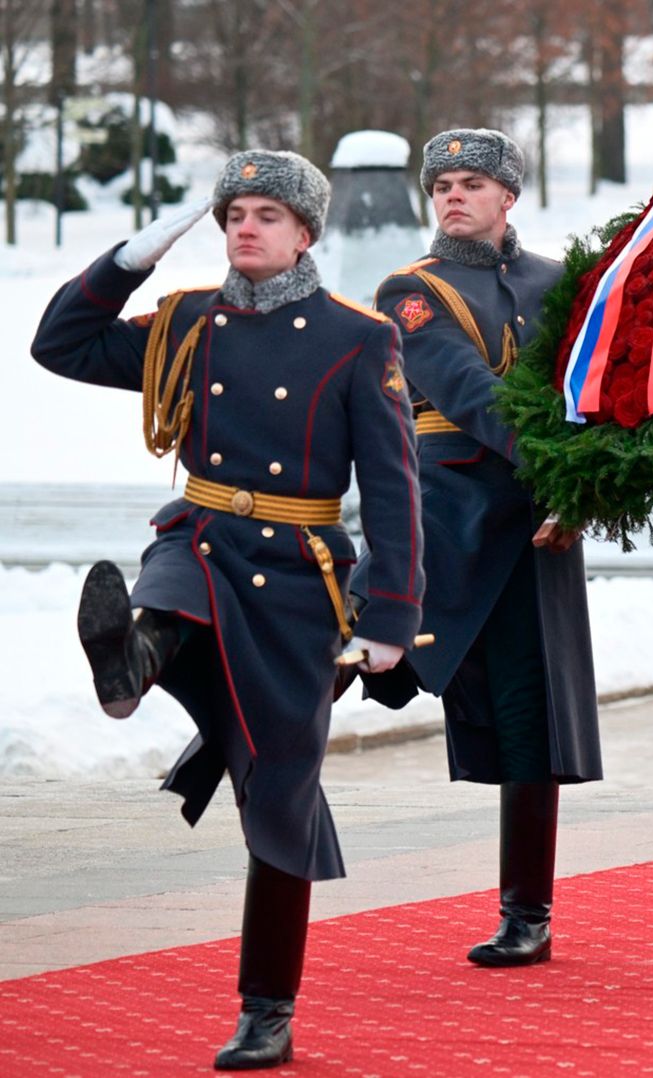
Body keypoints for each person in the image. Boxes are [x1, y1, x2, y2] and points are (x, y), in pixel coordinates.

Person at [34, 150, 423, 1069]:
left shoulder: (358, 337)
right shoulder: (188, 324)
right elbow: (61, 345)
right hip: (202, 539)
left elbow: (397, 488)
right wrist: (130, 258)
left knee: (278, 799)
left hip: (296, 576)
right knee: (169, 588)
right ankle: (130, 663)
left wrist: (388, 613)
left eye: (266, 214)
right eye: (233, 213)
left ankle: (267, 1010)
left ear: (305, 232)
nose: (244, 227)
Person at [360, 128, 601, 968]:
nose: (453, 196)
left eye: (471, 183)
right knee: (360, 656)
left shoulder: (558, 285)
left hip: (536, 527)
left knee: (531, 720)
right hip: (448, 519)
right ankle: (214, 743)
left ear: (509, 196)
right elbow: (466, 392)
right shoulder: (411, 290)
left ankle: (525, 914)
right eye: (442, 184)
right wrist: (573, 479)